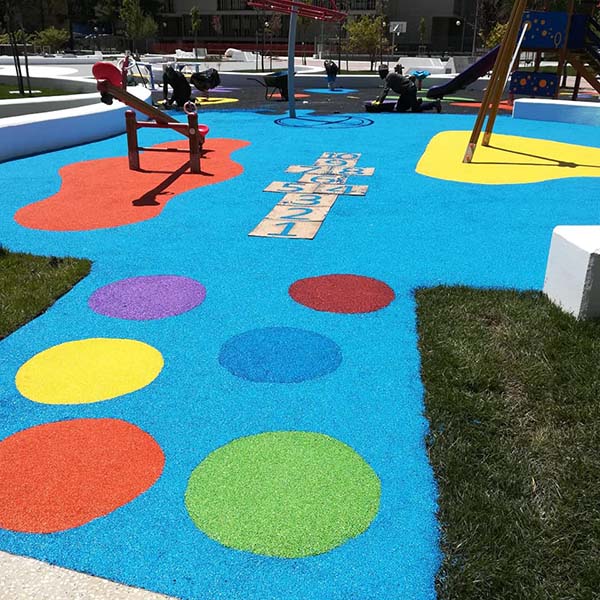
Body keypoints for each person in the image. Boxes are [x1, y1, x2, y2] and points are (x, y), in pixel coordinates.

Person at [376, 65, 441, 113]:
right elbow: (384, 91)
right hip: (406, 91)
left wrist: (379, 103)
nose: (379, 74)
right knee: (400, 108)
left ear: (384, 72)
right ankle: (416, 102)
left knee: (415, 109)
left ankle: (434, 104)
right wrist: (379, 100)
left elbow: (385, 91)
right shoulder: (389, 76)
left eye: (380, 72)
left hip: (409, 90)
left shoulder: (389, 76)